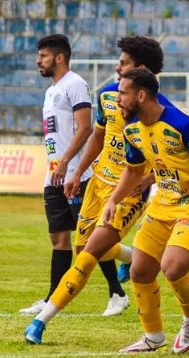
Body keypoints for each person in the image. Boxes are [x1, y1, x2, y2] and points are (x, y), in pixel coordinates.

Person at [25, 67, 189, 354]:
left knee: (172, 266)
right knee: (141, 272)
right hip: (161, 205)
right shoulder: (132, 130)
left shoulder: (184, 126)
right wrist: (112, 201)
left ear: (141, 95)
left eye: (123, 93)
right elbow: (132, 170)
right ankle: (153, 337)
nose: (117, 99)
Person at [62, 36, 167, 317]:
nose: (117, 68)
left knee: (92, 251)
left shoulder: (160, 109)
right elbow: (98, 135)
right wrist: (78, 172)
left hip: (128, 188)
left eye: (123, 63)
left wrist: (151, 178)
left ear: (140, 69)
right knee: (82, 247)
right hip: (100, 179)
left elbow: (164, 153)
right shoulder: (109, 95)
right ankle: (132, 258)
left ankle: (114, 295)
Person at [19, 34, 95, 315]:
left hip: (76, 173)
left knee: (88, 239)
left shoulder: (75, 84)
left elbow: (85, 128)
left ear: (59, 57)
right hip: (54, 175)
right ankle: (53, 298)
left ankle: (117, 292)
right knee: (59, 239)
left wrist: (65, 163)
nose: (38, 61)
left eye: (43, 56)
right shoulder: (52, 90)